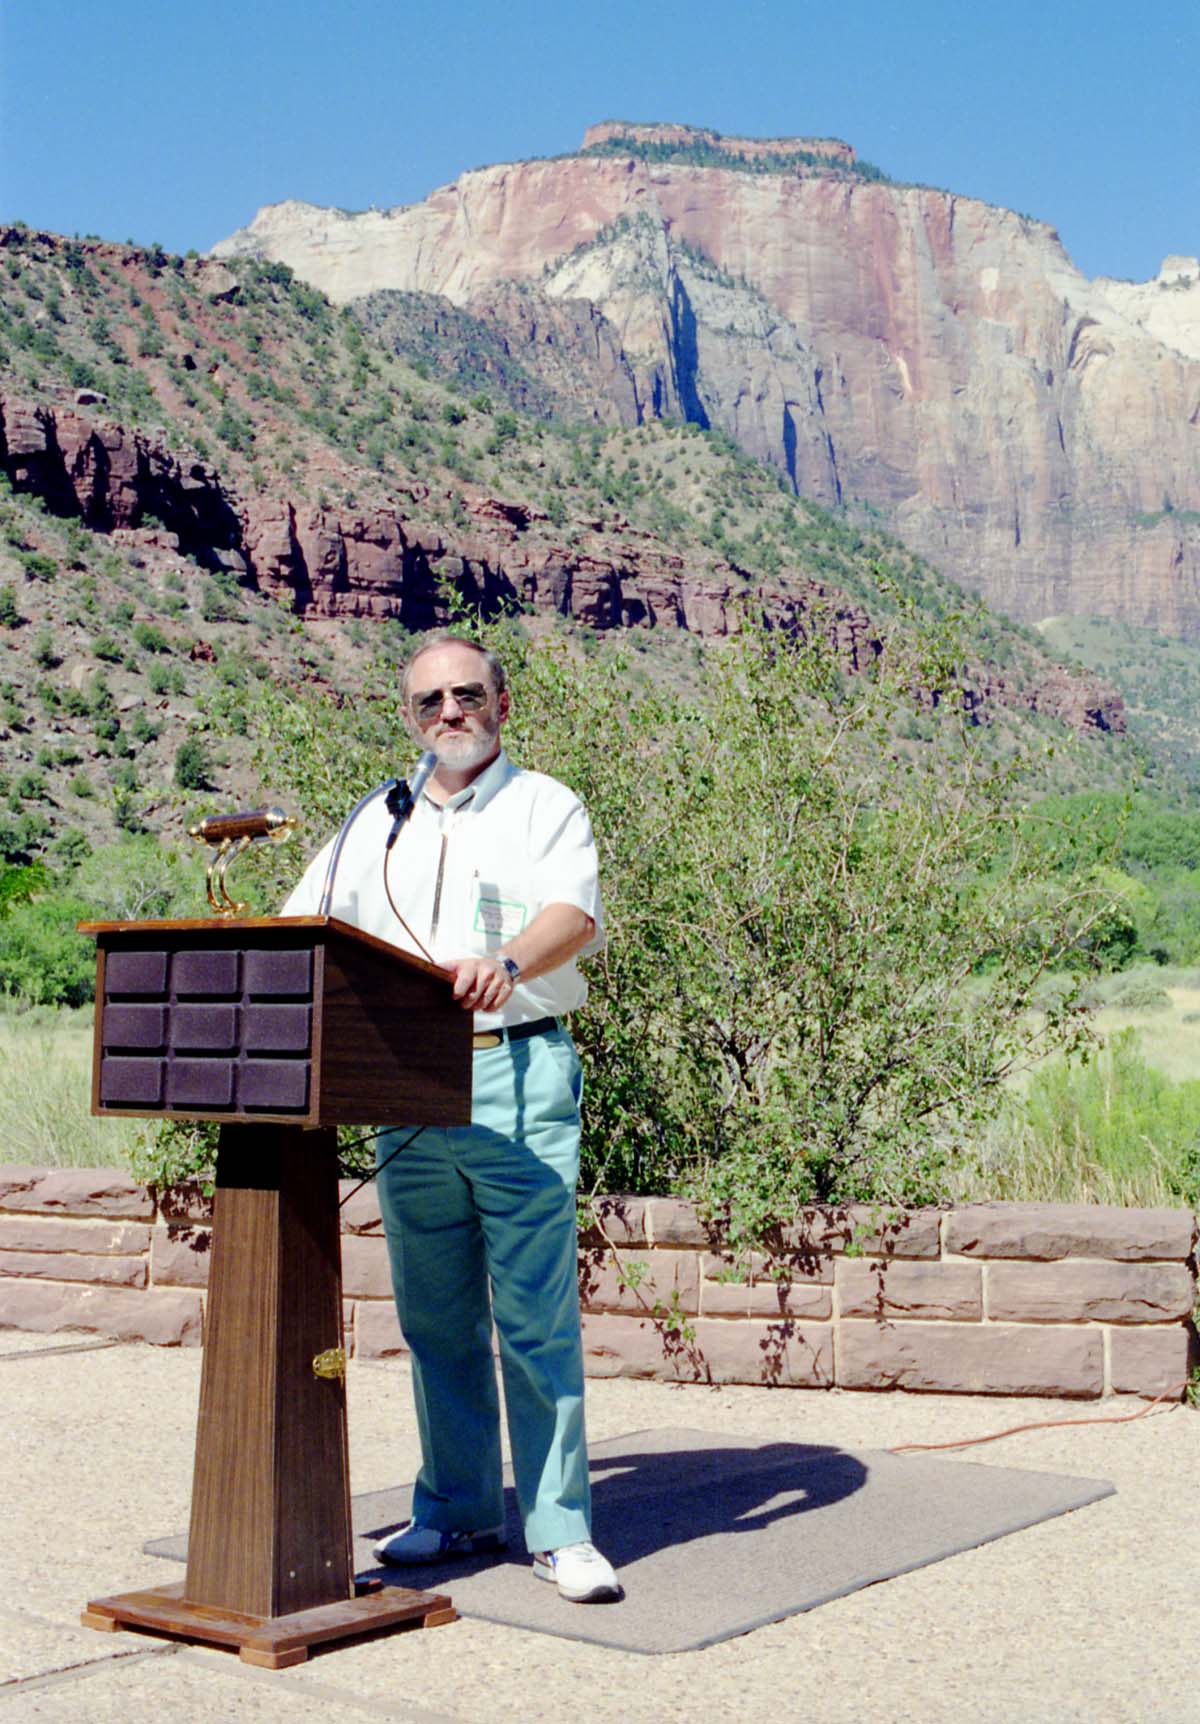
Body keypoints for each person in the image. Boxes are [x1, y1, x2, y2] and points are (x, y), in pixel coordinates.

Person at [281, 631, 619, 1604]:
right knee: (434, 1315)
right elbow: (305, 921)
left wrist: (507, 961)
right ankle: (459, 1506)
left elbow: (576, 915)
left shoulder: (544, 804)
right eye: (429, 701)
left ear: (502, 704)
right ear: (409, 716)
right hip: (407, 1093)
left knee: (535, 1316)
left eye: (467, 694)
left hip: (517, 1070)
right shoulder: (374, 821)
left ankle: (561, 1529)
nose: (449, 714)